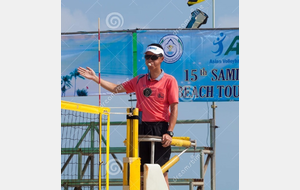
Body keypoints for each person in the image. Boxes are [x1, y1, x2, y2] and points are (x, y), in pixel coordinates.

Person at [78, 43, 178, 189]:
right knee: (141, 171)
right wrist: (95, 78)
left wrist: (169, 132)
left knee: (161, 172)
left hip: (160, 128)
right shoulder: (139, 80)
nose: (150, 60)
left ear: (161, 58)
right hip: (140, 127)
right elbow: (115, 88)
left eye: (154, 57)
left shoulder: (169, 80)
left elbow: (174, 108)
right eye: (147, 57)